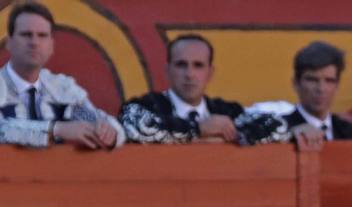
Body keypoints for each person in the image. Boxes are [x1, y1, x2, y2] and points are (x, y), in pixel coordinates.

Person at [0, 1, 123, 148]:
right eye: (26, 35)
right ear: (8, 42)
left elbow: (95, 121)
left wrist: (108, 131)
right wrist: (56, 129)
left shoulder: (62, 90)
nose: (34, 42)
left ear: (51, 46)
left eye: (42, 36)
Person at [120, 34, 288, 145]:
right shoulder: (149, 106)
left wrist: (231, 135)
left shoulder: (226, 112)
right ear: (167, 71)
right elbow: (133, 123)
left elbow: (279, 126)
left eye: (198, 66)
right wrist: (199, 129)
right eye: (181, 65)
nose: (189, 74)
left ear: (210, 73)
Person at [280, 41, 352, 149]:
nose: (321, 89)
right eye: (312, 80)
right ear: (296, 83)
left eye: (329, 81)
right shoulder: (280, 128)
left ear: (337, 86)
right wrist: (287, 131)